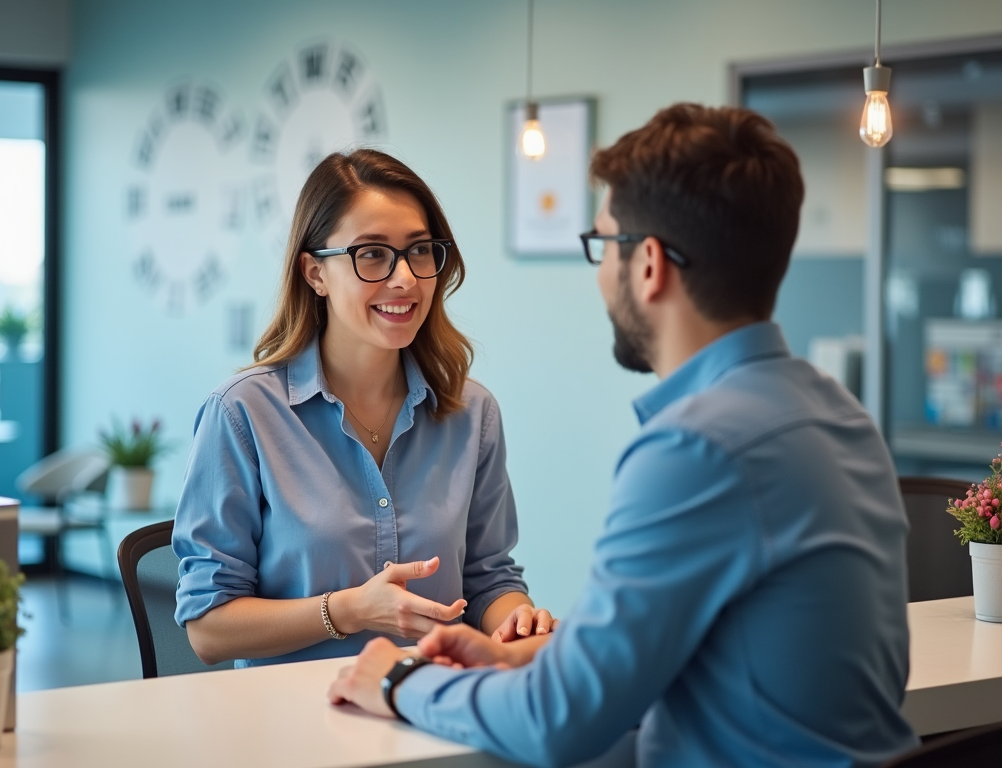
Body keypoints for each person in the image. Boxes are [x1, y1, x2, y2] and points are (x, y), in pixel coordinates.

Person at [328, 104, 920, 767]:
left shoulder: (698, 447)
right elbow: (696, 636)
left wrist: (399, 680)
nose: (600, 272)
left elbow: (558, 722)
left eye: (603, 244)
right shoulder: (839, 416)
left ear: (649, 266)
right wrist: (513, 654)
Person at [172, 149, 556, 668]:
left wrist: (516, 618)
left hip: (433, 713)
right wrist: (349, 611)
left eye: (420, 250)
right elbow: (208, 628)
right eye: (371, 254)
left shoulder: (473, 412)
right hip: (292, 729)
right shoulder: (243, 415)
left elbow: (490, 578)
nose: (405, 279)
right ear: (315, 273)